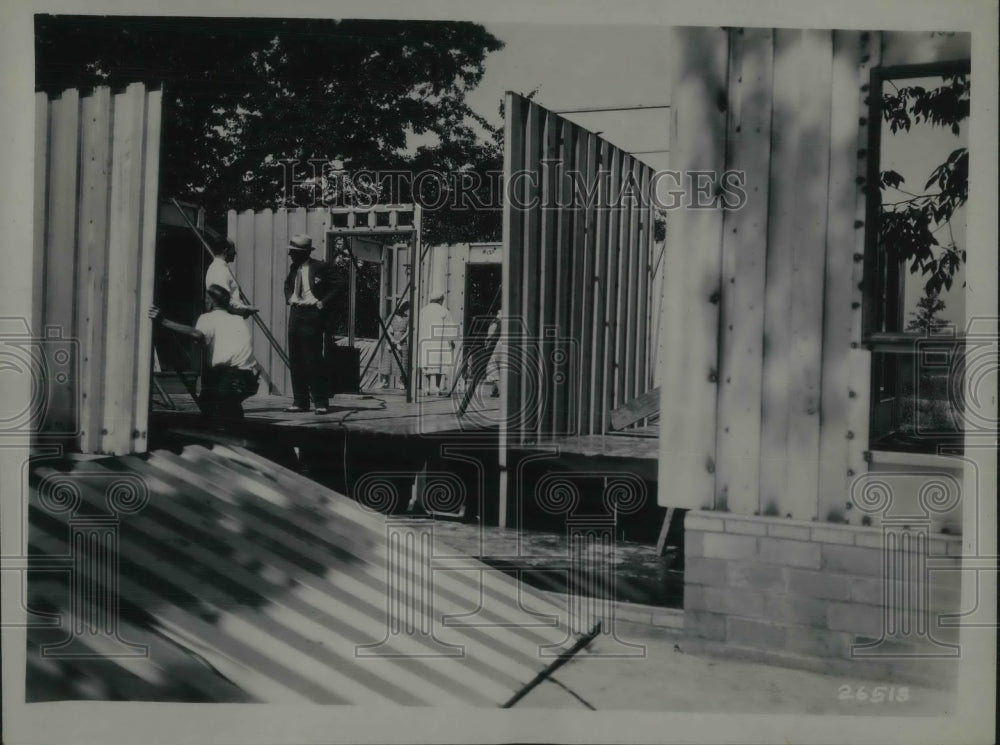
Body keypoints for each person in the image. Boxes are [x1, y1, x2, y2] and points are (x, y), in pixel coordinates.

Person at [148, 284, 260, 420]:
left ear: (211, 301)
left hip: (230, 380)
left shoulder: (208, 318)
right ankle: (236, 426)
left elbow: (198, 335)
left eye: (206, 299)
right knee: (229, 405)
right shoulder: (238, 319)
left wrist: (163, 321)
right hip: (250, 379)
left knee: (209, 404)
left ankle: (221, 433)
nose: (205, 302)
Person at [283, 234, 341, 414]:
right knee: (296, 359)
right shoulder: (294, 268)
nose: (290, 255)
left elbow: (339, 285)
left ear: (304, 253)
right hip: (295, 314)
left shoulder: (320, 266)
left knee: (313, 360)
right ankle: (300, 401)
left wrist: (323, 302)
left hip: (312, 315)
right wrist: (289, 298)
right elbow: (287, 285)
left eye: (293, 252)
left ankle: (321, 403)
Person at [417, 292, 459, 396]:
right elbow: (450, 328)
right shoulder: (444, 311)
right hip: (439, 341)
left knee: (426, 364)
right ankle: (437, 387)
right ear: (440, 300)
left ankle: (426, 387)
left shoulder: (423, 311)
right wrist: (452, 340)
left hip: (425, 341)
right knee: (439, 364)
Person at [205, 238, 257, 318]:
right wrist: (245, 309)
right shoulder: (218, 270)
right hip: (224, 319)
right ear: (225, 251)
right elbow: (224, 300)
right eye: (233, 250)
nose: (235, 253)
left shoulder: (221, 268)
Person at [378, 300, 410, 390]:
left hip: (401, 340)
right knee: (387, 360)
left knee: (402, 361)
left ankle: (401, 381)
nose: (404, 308)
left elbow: (408, 330)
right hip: (391, 340)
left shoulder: (407, 318)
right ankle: (384, 381)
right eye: (403, 306)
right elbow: (387, 328)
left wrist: (400, 340)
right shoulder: (391, 316)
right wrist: (392, 339)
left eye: (405, 306)